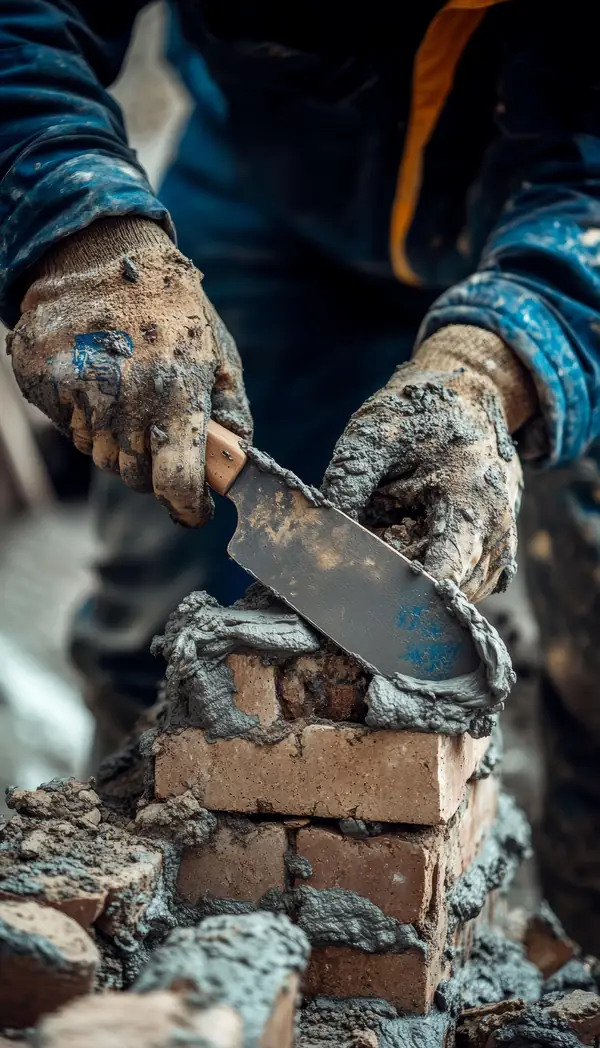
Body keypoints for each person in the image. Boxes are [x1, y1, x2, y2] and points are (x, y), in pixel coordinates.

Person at [1, 0, 600, 949]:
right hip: (264, 201)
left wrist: (499, 364)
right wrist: (74, 228)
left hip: (564, 236)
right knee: (165, 648)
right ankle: (145, 943)